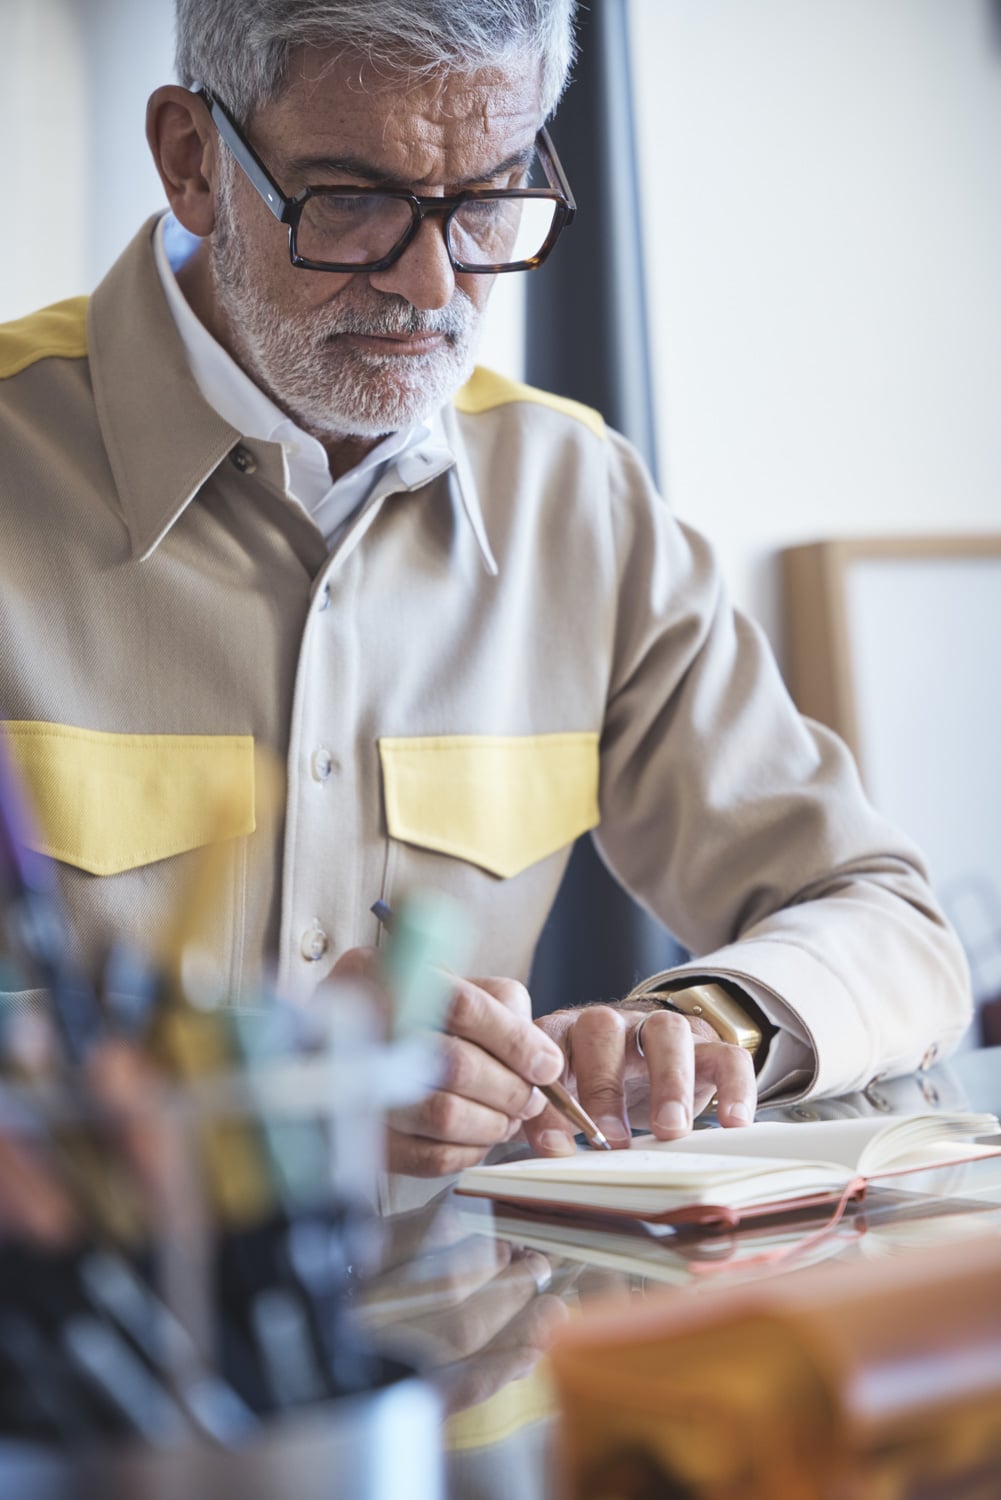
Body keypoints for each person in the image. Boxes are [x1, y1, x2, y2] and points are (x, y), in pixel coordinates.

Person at [0, 0, 971, 1186]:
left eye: (487, 198)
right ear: (191, 161)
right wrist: (261, 1084)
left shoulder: (578, 501)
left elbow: (887, 920)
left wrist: (701, 1030)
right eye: (352, 200)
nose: (430, 284)